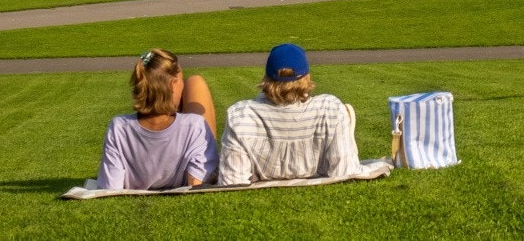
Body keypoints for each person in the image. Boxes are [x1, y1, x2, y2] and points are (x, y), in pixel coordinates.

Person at [218, 43, 362, 185]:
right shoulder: (330, 109)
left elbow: (232, 181)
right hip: (319, 162)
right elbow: (346, 173)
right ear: (307, 77)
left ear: (266, 77)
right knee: (339, 115)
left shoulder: (240, 115)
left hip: (261, 175)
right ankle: (344, 137)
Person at [96, 48, 218, 191]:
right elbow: (197, 183)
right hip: (188, 143)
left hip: (141, 165)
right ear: (173, 84)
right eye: (180, 81)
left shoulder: (118, 127)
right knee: (195, 82)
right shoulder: (195, 125)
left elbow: (110, 187)